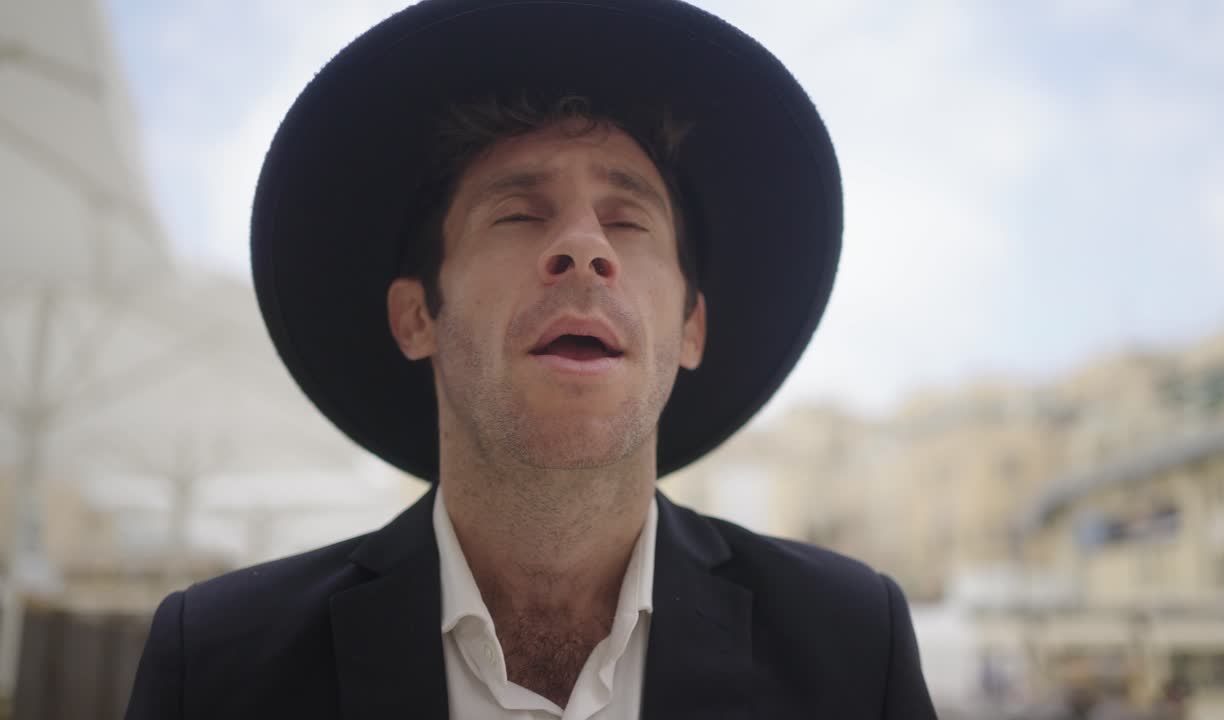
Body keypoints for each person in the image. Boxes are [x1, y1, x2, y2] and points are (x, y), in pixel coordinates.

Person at [124, 0, 937, 718]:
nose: (583, 247)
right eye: (517, 214)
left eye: (627, 220)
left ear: (691, 327)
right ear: (417, 316)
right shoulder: (222, 667)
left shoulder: (854, 648)